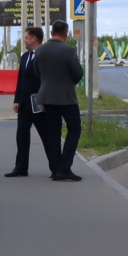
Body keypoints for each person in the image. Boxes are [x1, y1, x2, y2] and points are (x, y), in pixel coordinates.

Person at [35, 20, 84, 181]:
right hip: (66, 97)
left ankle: (55, 169)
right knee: (74, 129)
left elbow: (37, 73)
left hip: (47, 97)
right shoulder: (68, 50)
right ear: (66, 33)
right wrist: (69, 83)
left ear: (51, 32)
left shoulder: (40, 50)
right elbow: (78, 73)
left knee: (53, 134)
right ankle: (65, 168)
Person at [7, 27, 46, 177]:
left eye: (26, 37)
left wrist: (44, 102)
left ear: (34, 39)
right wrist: (17, 100)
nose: (24, 40)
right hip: (24, 104)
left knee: (45, 135)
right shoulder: (25, 57)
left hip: (38, 102)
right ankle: (21, 167)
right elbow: (20, 80)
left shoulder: (43, 56)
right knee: (22, 135)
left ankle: (56, 167)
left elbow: (45, 81)